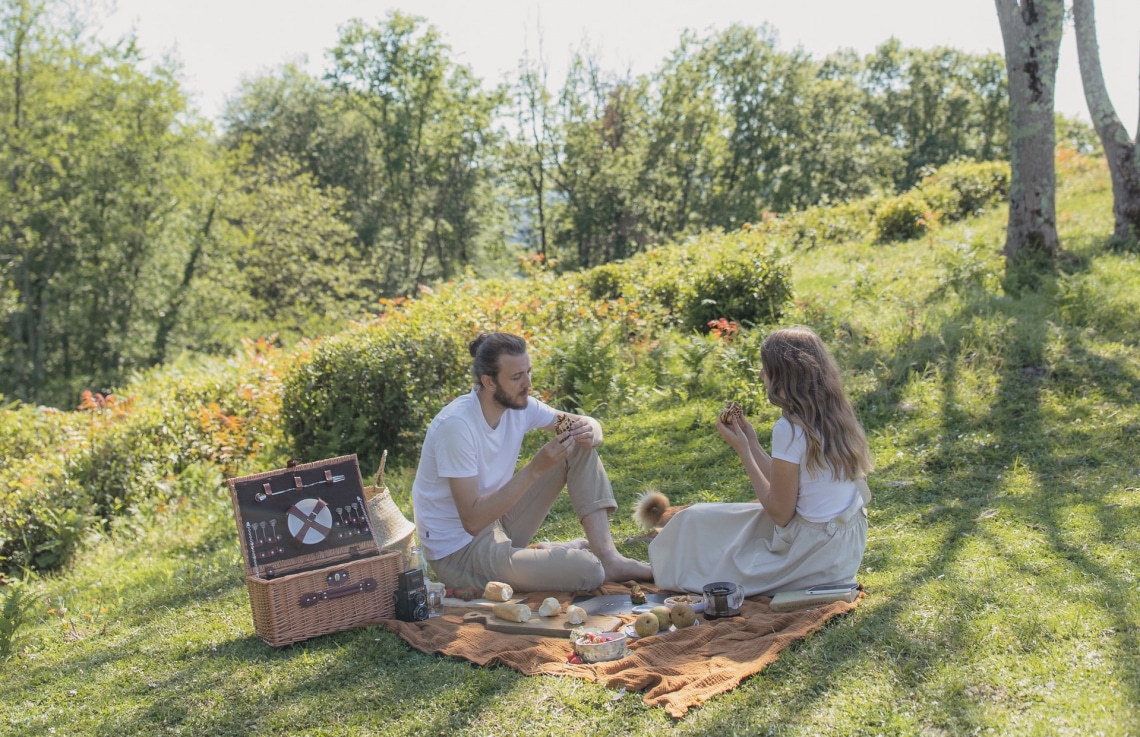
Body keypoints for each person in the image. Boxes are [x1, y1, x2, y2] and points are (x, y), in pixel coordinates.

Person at [411, 332, 651, 593]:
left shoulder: (521, 406)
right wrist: (535, 468)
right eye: (517, 377)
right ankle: (551, 558)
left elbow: (582, 424)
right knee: (589, 571)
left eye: (528, 372)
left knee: (577, 446)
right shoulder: (456, 427)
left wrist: (591, 430)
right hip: (460, 553)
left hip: (498, 524)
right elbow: (472, 521)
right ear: (489, 382)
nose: (528, 384)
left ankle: (608, 557)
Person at [649, 326, 873, 596]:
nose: (760, 374)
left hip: (813, 556)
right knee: (703, 518)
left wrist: (743, 451)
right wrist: (752, 443)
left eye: (766, 368)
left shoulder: (789, 428)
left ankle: (656, 570)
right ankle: (660, 567)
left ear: (783, 375)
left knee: (698, 525)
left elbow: (780, 513)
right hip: (841, 551)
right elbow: (791, 486)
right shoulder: (834, 413)